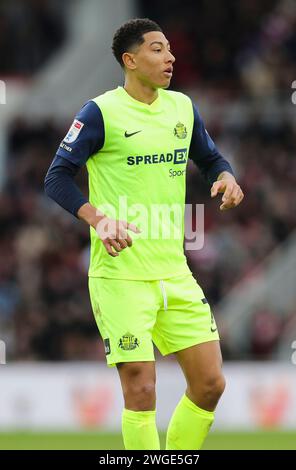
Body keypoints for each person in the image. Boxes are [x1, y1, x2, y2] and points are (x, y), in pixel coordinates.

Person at [45, 18, 244, 450]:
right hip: (120, 276)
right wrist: (97, 218)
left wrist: (226, 176)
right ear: (130, 60)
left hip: (174, 272)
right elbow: (56, 177)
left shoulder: (182, 108)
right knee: (142, 391)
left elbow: (210, 158)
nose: (170, 56)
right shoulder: (99, 112)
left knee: (210, 384)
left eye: (169, 48)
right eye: (157, 49)